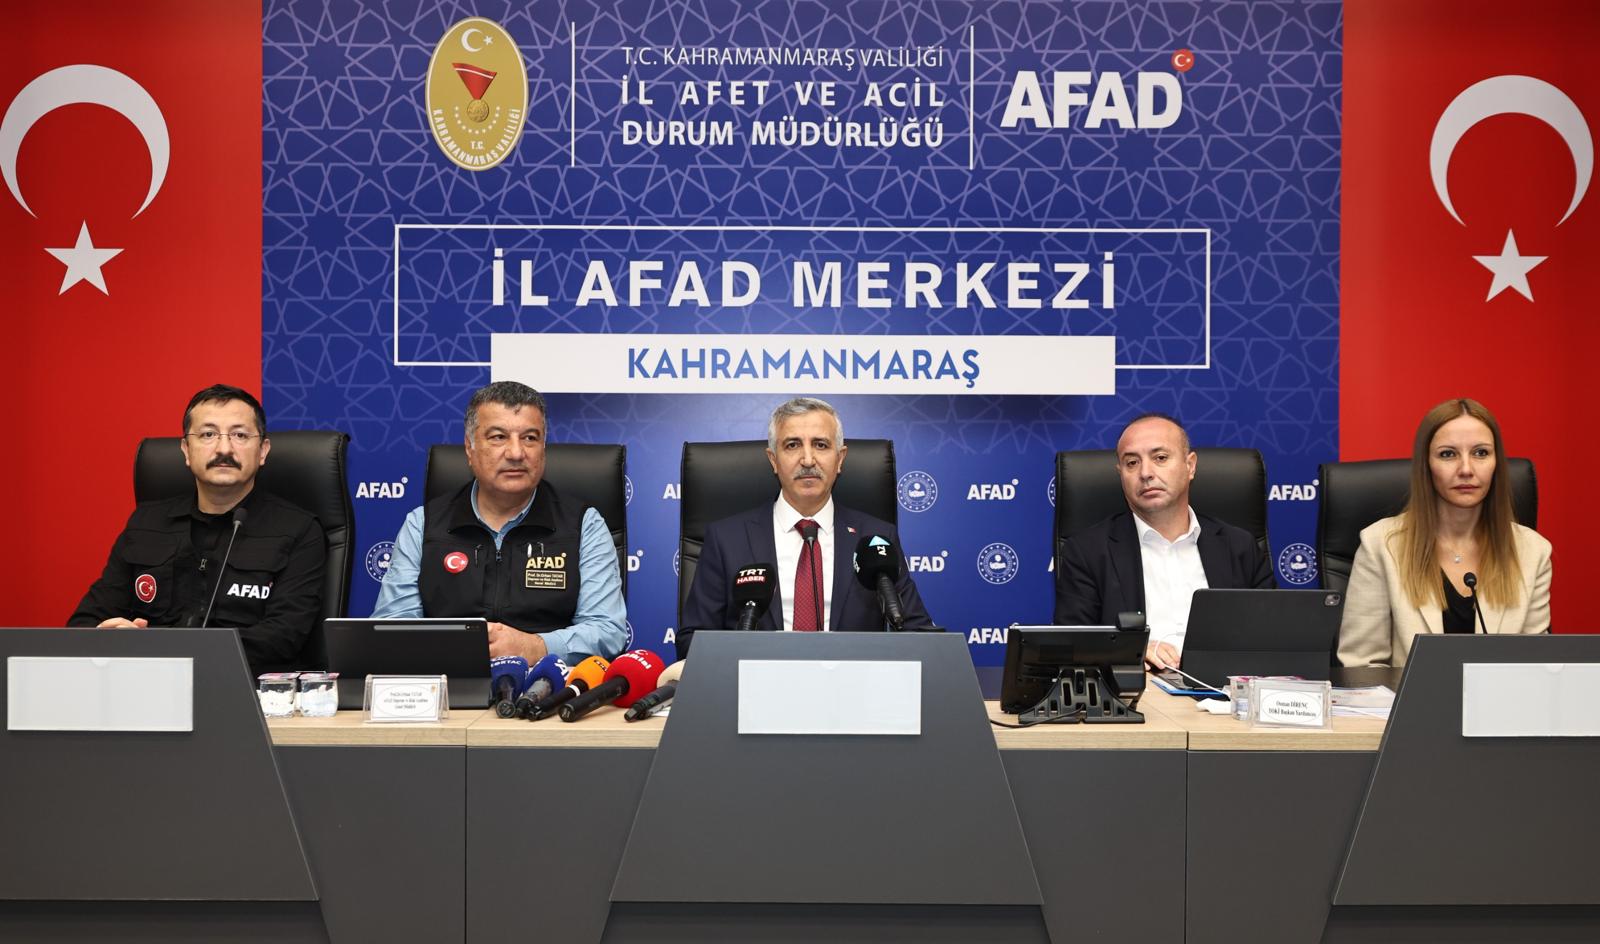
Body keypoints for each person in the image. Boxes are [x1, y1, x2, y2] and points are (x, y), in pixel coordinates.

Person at [69, 384, 327, 675]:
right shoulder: (146, 524)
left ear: (263, 451)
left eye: (240, 435)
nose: (224, 449)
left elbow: (283, 638)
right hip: (147, 684)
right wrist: (108, 636)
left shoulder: (298, 530)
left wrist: (156, 648)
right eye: (208, 435)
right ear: (186, 450)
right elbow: (85, 623)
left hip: (243, 686)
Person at [373, 381, 626, 665]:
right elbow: (392, 627)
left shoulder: (584, 525)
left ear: (543, 448)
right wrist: (461, 649)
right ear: (469, 448)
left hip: (547, 684)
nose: (516, 453)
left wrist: (535, 646)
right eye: (498, 437)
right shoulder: (423, 525)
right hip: (449, 681)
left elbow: (607, 630)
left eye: (530, 438)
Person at [677, 397, 934, 658]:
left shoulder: (876, 539)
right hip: (759, 681)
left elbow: (919, 636)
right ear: (773, 459)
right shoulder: (726, 539)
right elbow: (693, 641)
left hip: (852, 680)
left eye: (821, 445)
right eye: (792, 445)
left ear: (840, 458)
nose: (808, 459)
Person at [1338, 398, 1551, 667]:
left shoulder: (1533, 551)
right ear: (1426, 465)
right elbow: (1361, 667)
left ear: (1497, 463)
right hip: (1408, 695)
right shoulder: (1380, 545)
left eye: (1481, 453)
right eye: (1448, 454)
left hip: (1500, 695)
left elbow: (1535, 666)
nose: (1466, 469)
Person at [1053, 413, 1274, 669]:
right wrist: (1130, 650)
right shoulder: (1088, 552)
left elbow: (1273, 636)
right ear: (1121, 474)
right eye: (1132, 463)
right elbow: (1072, 646)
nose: (1146, 473)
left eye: (1160, 458)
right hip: (1142, 688)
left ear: (1190, 466)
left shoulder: (1239, 546)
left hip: (1222, 687)